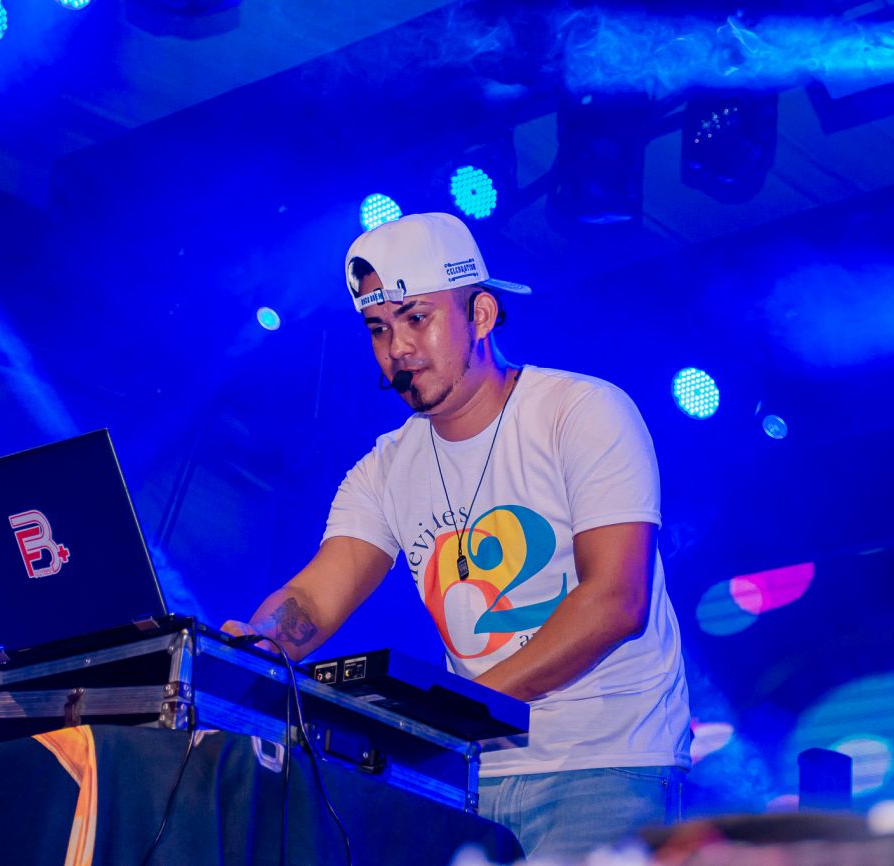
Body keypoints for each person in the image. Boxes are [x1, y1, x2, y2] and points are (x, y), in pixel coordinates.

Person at [224, 212, 691, 859]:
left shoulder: (582, 412)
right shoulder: (384, 469)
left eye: (416, 318)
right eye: (379, 329)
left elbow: (616, 600)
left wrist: (454, 714)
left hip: (606, 764)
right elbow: (316, 595)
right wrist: (260, 642)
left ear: (482, 314)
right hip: (467, 778)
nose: (397, 348)